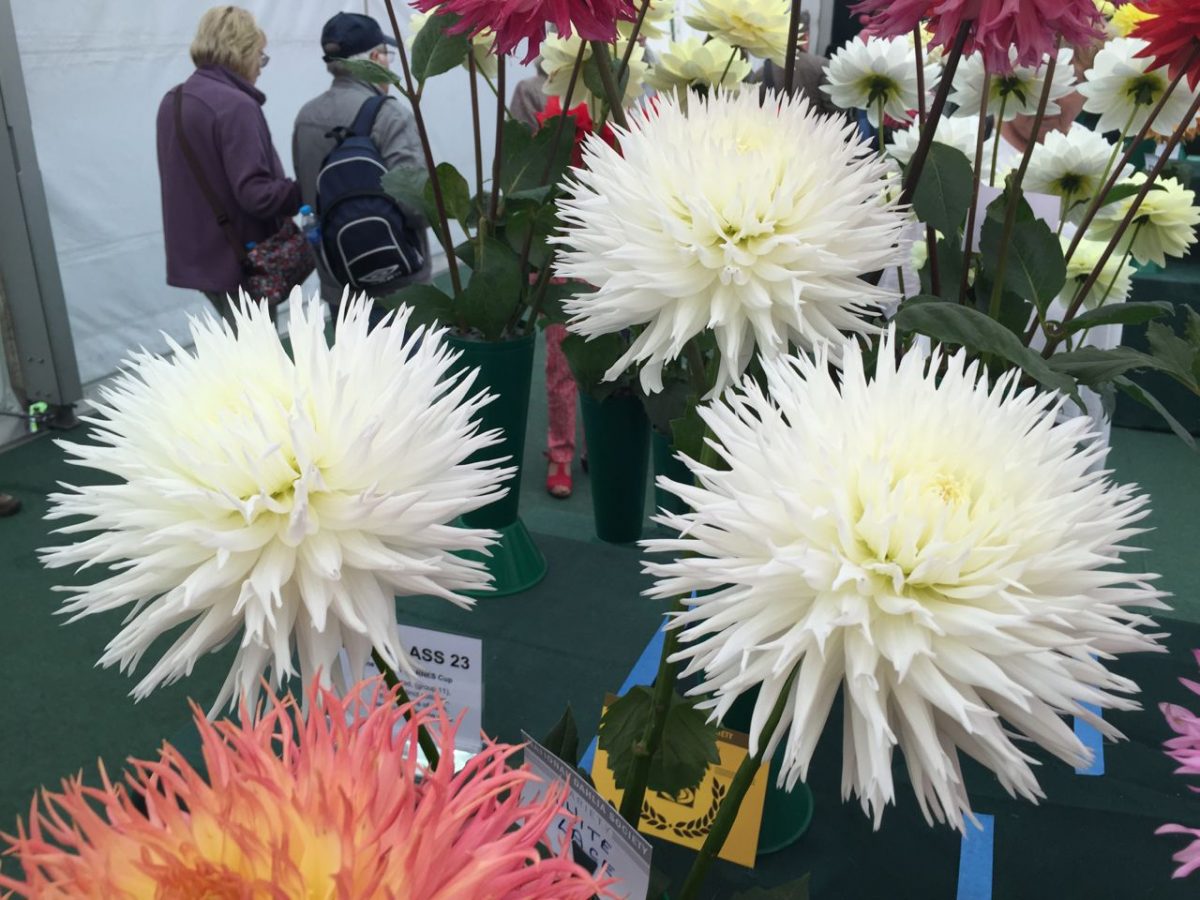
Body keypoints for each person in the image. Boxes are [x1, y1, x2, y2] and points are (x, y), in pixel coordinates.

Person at [156, 6, 301, 324]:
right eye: (260, 55)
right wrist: (306, 189)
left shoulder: (174, 99)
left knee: (240, 352)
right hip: (240, 259)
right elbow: (256, 195)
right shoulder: (236, 105)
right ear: (242, 51)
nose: (261, 67)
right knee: (259, 361)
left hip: (201, 260)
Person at [292, 12, 430, 316]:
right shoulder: (390, 115)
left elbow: (306, 193)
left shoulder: (306, 117)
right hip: (398, 285)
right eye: (387, 55)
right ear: (376, 57)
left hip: (338, 282)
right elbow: (417, 205)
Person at [511, 67, 585, 500]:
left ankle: (598, 436)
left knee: (613, 343)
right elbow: (522, 164)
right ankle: (561, 450)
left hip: (607, 228)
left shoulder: (613, 76)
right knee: (561, 351)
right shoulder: (531, 90)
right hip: (554, 233)